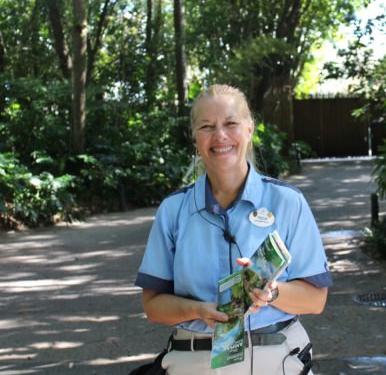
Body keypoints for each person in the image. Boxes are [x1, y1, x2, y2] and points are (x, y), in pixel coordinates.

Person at [134, 84, 332, 374]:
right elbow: (153, 306)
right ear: (194, 137)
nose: (220, 136)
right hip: (195, 362)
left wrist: (272, 291)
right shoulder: (174, 210)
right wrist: (199, 310)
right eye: (206, 126)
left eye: (230, 123)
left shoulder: (288, 203)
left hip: (277, 360)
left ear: (250, 129)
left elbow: (316, 300)